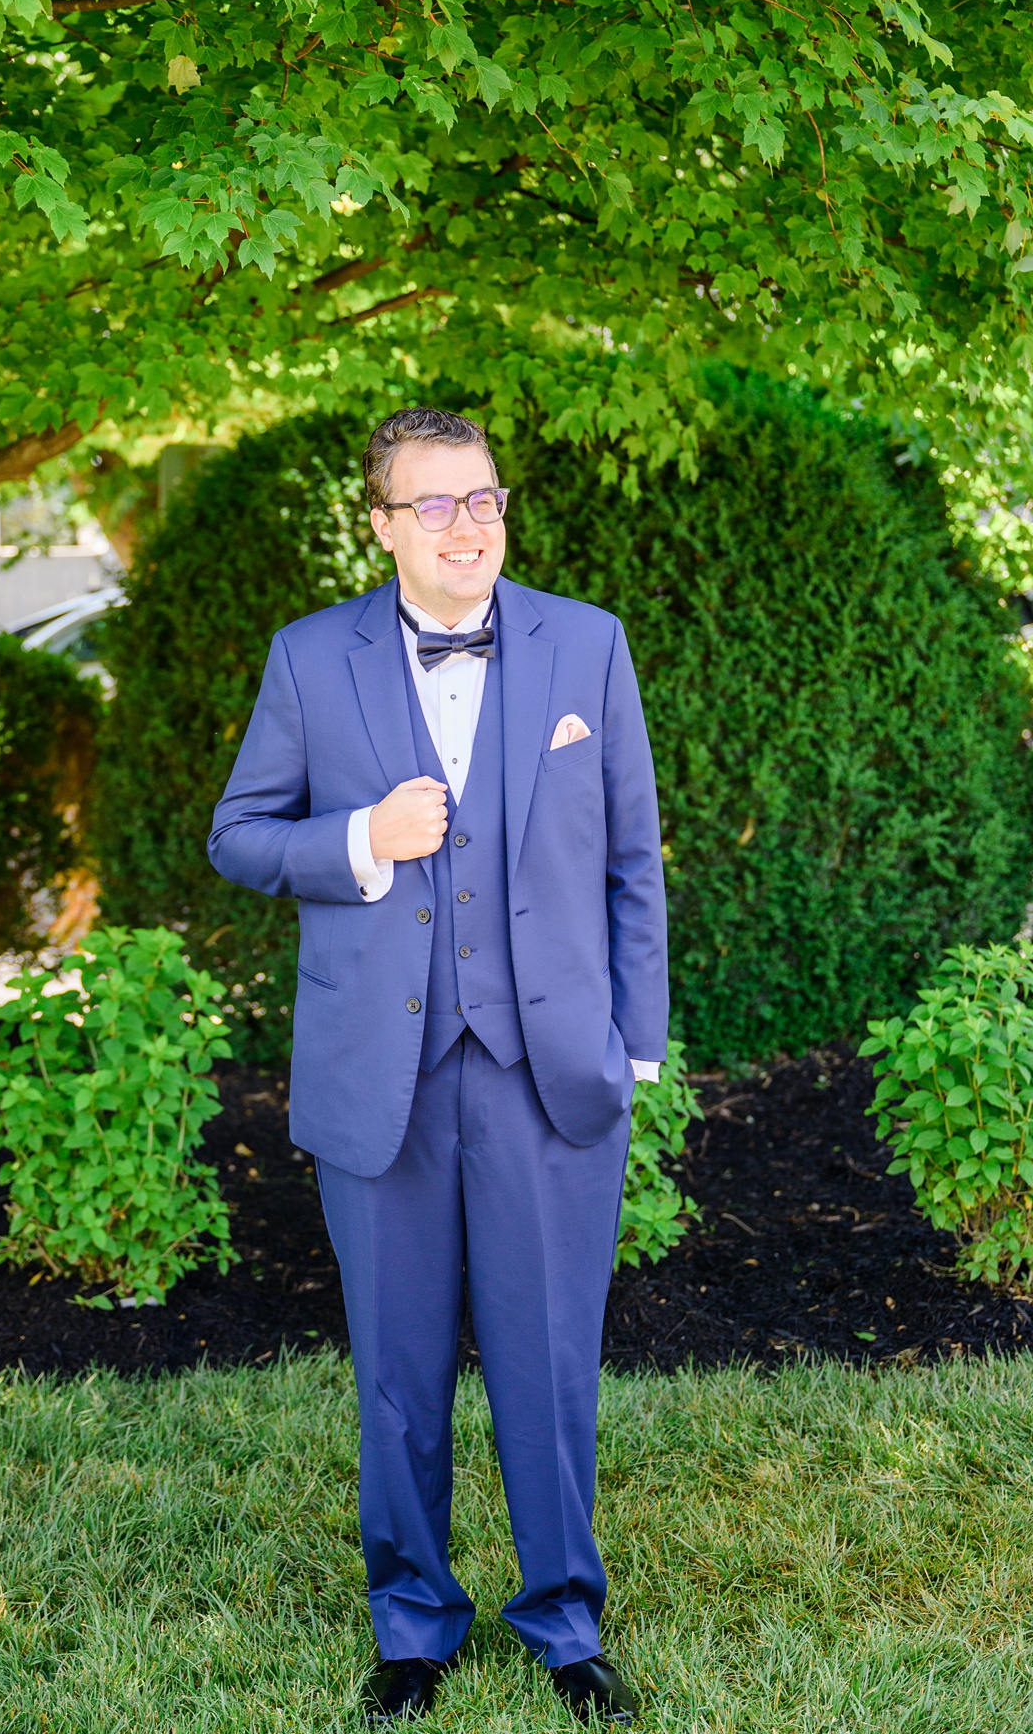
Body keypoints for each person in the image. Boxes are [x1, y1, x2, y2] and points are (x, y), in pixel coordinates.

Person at [207, 407, 666, 1726]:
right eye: (438, 506)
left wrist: (634, 1049)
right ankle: (413, 1620)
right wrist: (359, 837)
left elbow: (635, 863)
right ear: (382, 526)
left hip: (547, 1072)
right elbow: (240, 837)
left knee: (549, 1365)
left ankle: (564, 1619)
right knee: (399, 1367)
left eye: (486, 501)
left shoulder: (589, 645)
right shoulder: (311, 660)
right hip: (381, 1074)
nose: (470, 527)